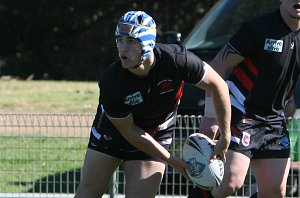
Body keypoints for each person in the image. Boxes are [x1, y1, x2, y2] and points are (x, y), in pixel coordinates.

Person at [74, 11, 232, 198]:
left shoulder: (176, 59)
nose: (123, 48)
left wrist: (225, 135)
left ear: (147, 43)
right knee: (88, 194)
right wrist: (172, 160)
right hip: (112, 132)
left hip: (156, 133)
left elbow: (218, 85)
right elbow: (129, 130)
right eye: (120, 40)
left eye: (131, 41)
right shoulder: (112, 81)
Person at [189, 0, 300, 197]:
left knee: (275, 192)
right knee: (229, 182)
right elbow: (216, 68)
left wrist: (289, 99)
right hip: (241, 112)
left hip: (274, 120)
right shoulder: (258, 28)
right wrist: (211, 116)